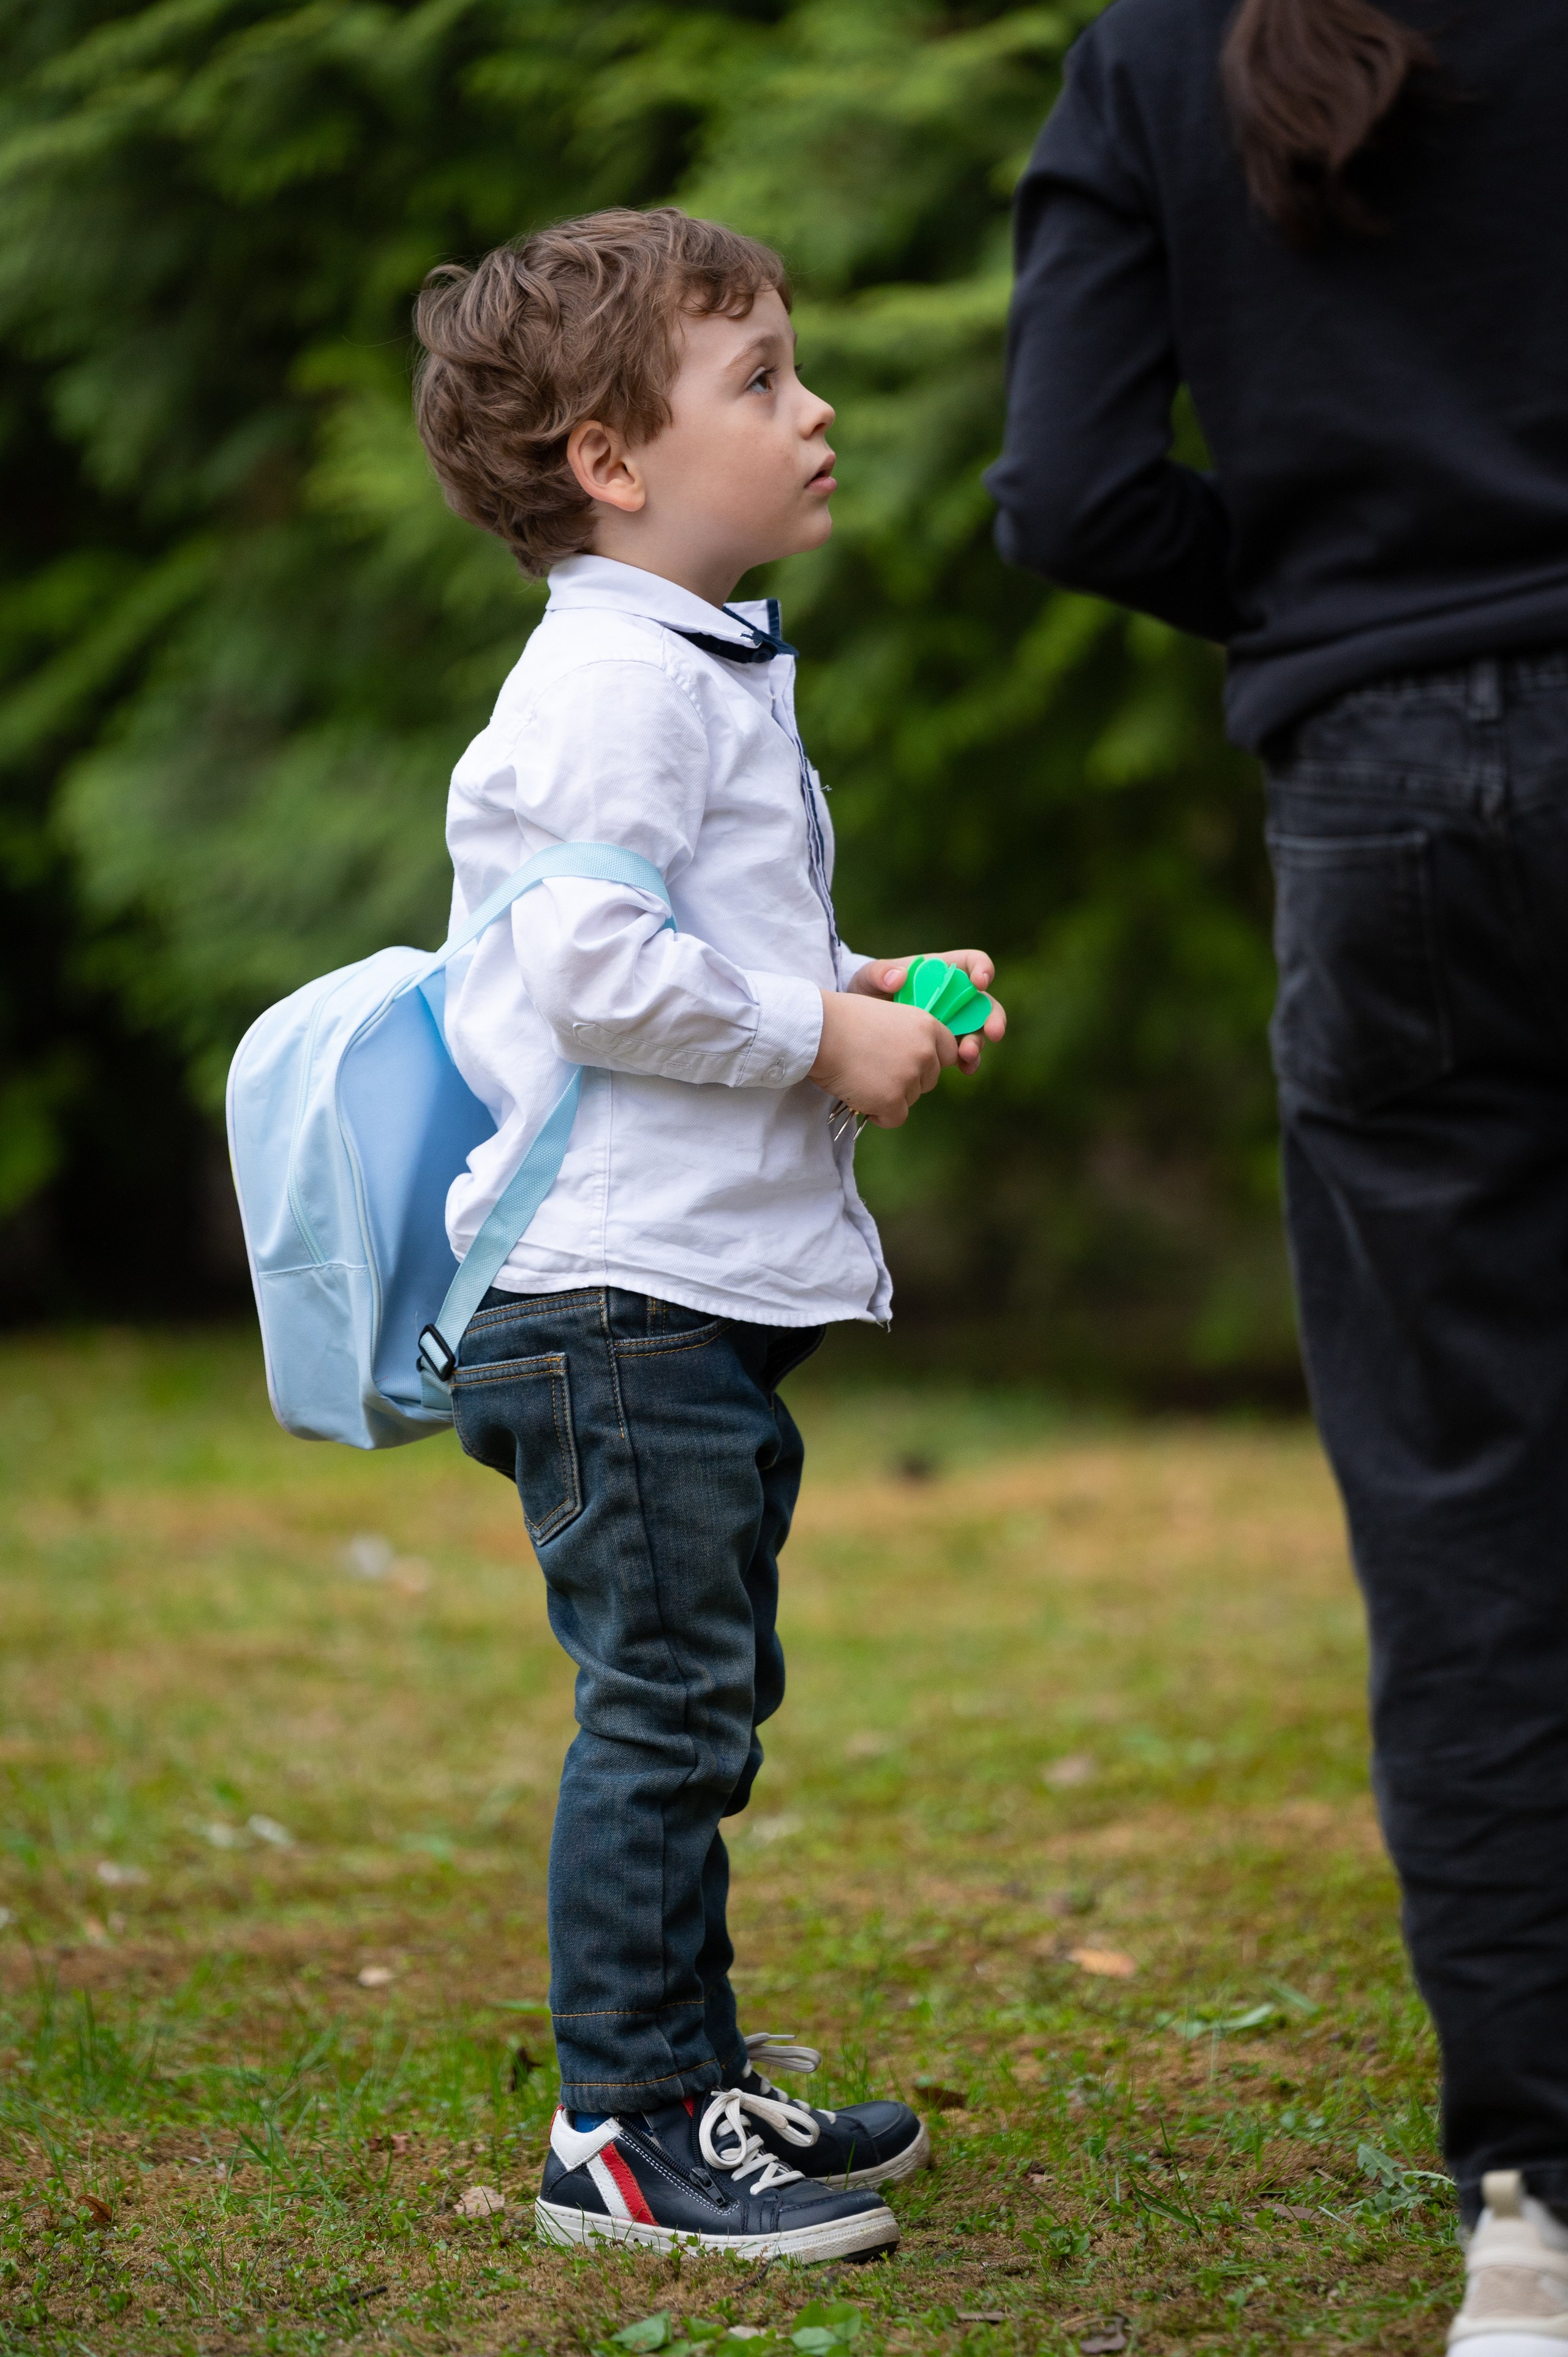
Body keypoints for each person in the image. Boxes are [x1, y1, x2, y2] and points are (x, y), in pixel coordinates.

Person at [986, 1, 1568, 2348]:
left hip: (1381, 800)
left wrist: (1348, 609)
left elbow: (1071, 493)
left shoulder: (1149, 52)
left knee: (1460, 1515)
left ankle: (1535, 2205)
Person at [411, 206, 1005, 2263]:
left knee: (695, 1693)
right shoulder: (609, 681)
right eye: (759, 378)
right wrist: (810, 1036)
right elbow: (591, 967)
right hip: (609, 1298)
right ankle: (630, 2134)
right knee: (667, 1710)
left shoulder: (677, 662)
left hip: (655, 1296)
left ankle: (688, 2071)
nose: (815, 406)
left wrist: (857, 983)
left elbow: (687, 948)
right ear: (610, 458)